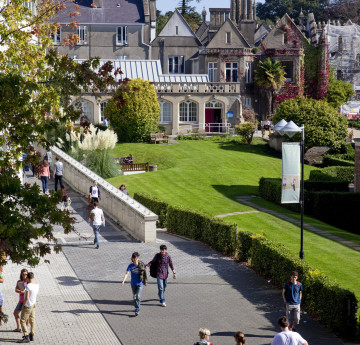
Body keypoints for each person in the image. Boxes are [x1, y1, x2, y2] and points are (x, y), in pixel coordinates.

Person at [121, 252, 147, 316]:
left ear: (138, 258)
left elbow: (145, 273)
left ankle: (137, 309)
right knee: (135, 297)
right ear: (132, 258)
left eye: (137, 258)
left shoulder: (141, 264)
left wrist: (145, 281)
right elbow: (127, 273)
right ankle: (136, 306)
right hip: (133, 284)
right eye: (134, 258)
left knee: (138, 296)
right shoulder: (130, 265)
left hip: (139, 283)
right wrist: (123, 281)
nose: (135, 259)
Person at [17, 272, 39, 343]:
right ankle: (32, 334)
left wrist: (23, 305)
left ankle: (26, 336)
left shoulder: (28, 286)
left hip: (28, 305)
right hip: (34, 304)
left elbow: (26, 297)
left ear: (28, 278)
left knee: (22, 320)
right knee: (32, 319)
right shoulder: (37, 285)